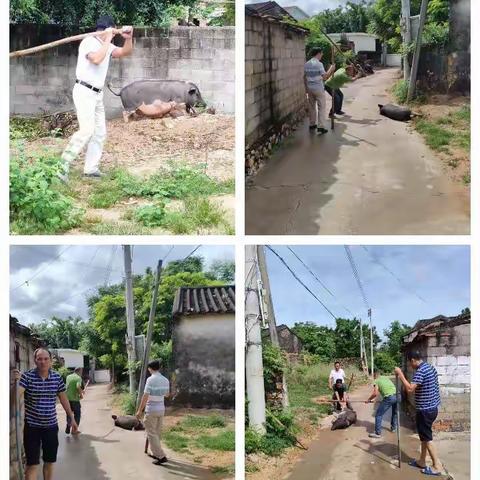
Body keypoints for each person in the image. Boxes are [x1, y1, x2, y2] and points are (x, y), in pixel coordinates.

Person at [61, 15, 134, 179]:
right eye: (112, 32)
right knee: (86, 130)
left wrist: (128, 39)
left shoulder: (106, 45)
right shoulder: (89, 41)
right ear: (108, 30)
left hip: (97, 94)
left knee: (99, 133)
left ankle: (91, 169)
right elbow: (96, 59)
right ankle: (61, 167)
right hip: (84, 91)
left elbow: (125, 52)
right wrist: (108, 38)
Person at [12, 348, 79, 480]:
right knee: (32, 464)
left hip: (51, 427)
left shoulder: (56, 377)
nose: (43, 362)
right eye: (39, 359)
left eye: (46, 359)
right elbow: (14, 400)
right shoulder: (27, 377)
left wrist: (72, 418)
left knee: (49, 462)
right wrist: (16, 384)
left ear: (51, 361)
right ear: (35, 361)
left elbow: (63, 398)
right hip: (32, 428)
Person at [395, 351, 443, 476]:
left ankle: (437, 466)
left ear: (412, 360)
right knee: (423, 436)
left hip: (425, 410)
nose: (410, 366)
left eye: (410, 364)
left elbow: (410, 389)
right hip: (432, 407)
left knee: (427, 438)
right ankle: (422, 461)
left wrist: (400, 375)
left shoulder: (421, 371)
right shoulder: (430, 367)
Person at [135, 360, 171, 466]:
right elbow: (167, 395)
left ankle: (161, 456)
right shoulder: (165, 380)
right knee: (157, 433)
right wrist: (159, 393)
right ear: (159, 368)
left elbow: (145, 396)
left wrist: (139, 410)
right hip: (161, 409)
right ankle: (156, 452)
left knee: (151, 433)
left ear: (150, 368)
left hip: (151, 410)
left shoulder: (150, 380)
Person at [304, 48, 335, 135]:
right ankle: (321, 126)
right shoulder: (319, 64)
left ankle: (312, 124)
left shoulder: (306, 64)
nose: (322, 55)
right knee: (321, 107)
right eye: (321, 53)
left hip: (309, 88)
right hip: (318, 88)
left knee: (312, 107)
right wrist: (331, 69)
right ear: (318, 53)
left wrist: (306, 88)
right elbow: (325, 77)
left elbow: (304, 77)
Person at [365, 370, 398, 438]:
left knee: (378, 415)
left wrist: (369, 399)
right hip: (398, 395)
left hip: (389, 397)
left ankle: (378, 433)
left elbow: (375, 393)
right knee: (394, 413)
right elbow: (387, 388)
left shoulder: (376, 380)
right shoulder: (385, 377)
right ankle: (393, 428)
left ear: (374, 376)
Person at [65, 367, 85, 434]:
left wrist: (81, 391)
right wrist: (81, 395)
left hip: (67, 398)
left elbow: (68, 386)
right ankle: (74, 430)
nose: (82, 373)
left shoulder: (68, 377)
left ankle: (68, 426)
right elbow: (77, 386)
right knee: (77, 414)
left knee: (69, 413)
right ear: (79, 371)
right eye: (81, 371)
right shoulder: (78, 378)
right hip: (75, 399)